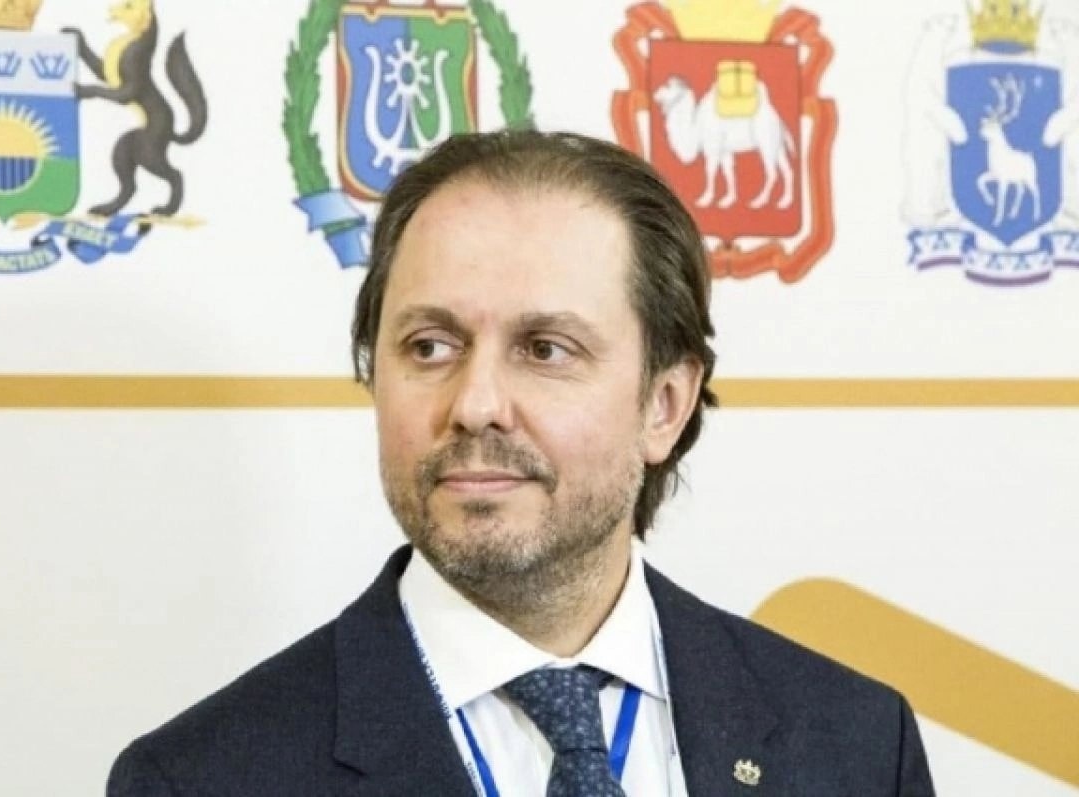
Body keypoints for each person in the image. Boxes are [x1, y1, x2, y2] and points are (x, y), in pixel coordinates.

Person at [107, 130, 935, 796]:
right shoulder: (202, 777)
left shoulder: (856, 744)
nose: (475, 404)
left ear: (664, 405)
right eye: (430, 346)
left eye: (545, 349)